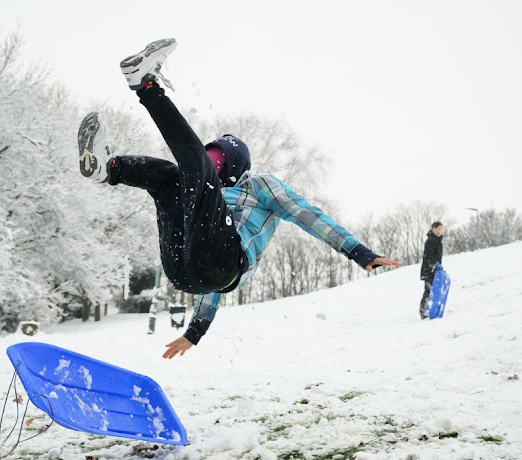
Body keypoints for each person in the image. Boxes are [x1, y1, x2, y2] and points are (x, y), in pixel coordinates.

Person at [77, 39, 400, 359]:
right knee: (170, 177)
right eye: (210, 158)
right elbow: (203, 269)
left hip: (224, 266)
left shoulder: (260, 187)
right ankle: (109, 169)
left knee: (192, 175)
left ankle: (146, 86)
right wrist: (195, 332)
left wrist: (357, 252)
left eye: (219, 160)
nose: (214, 166)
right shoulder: (202, 196)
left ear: (235, 166)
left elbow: (306, 214)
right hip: (181, 269)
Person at [419, 222, 444, 319]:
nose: (438, 231)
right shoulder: (431, 241)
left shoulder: (438, 241)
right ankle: (423, 312)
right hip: (429, 270)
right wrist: (435, 264)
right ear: (432, 229)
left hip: (435, 270)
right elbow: (428, 256)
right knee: (428, 290)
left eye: (440, 229)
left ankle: (432, 309)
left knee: (434, 290)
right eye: (436, 229)